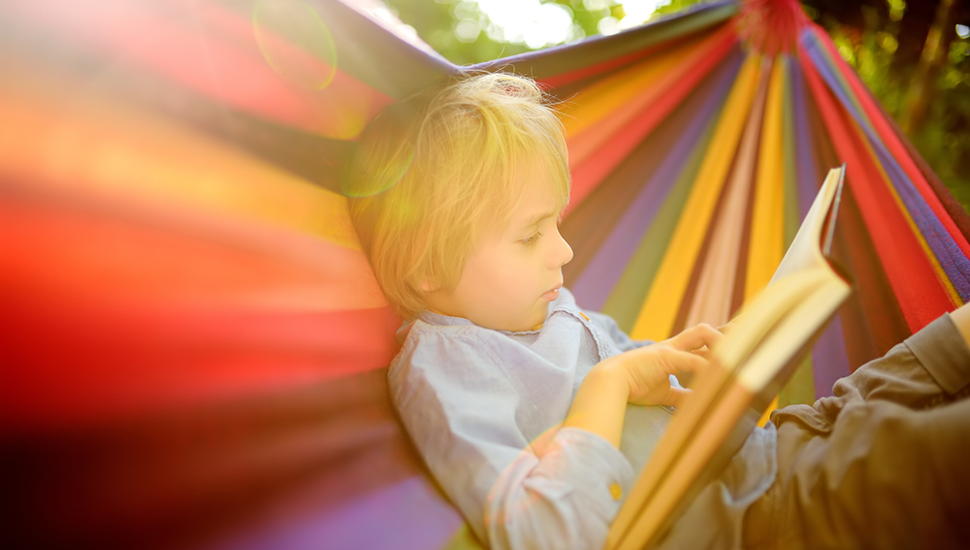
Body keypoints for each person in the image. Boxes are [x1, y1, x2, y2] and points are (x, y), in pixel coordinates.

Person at [342, 71, 970, 550]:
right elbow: (550, 532)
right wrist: (608, 383)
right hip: (766, 516)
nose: (563, 250)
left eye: (555, 224)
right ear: (427, 266)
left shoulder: (542, 307)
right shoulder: (446, 366)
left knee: (947, 344)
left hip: (785, 438)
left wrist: (701, 357)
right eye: (530, 235)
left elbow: (654, 401)